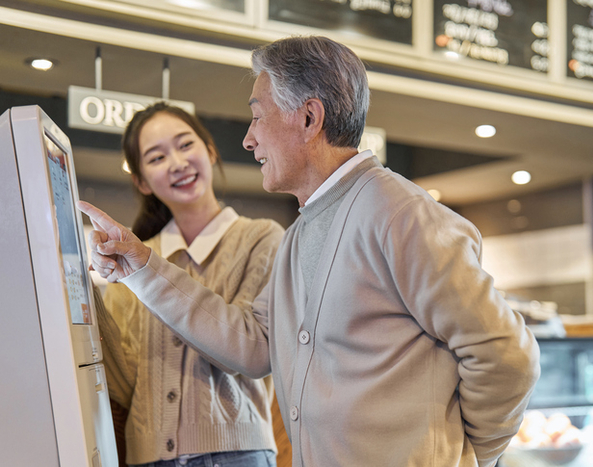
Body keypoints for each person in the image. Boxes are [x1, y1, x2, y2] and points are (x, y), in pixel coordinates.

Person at [80, 36, 540, 467]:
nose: (248, 138)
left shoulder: (402, 214)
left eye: (257, 115)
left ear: (308, 118)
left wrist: (465, 454)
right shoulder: (300, 232)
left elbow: (507, 357)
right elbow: (254, 345)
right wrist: (141, 267)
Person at [91, 102, 284, 467]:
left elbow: (248, 352)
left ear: (210, 150)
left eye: (185, 145)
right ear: (141, 181)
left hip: (236, 456)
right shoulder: (132, 262)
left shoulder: (262, 238)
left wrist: (146, 271)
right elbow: (123, 381)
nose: (177, 163)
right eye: (157, 157)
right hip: (147, 459)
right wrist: (80, 288)